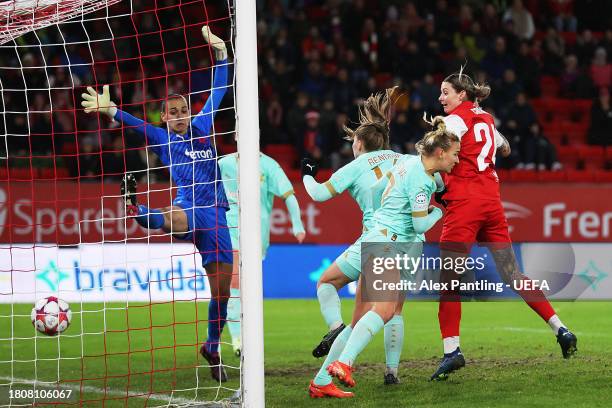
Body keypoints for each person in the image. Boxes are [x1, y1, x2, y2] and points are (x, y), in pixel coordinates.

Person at [81, 26, 233, 383]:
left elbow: (219, 90)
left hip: (218, 218)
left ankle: (212, 346)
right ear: (164, 117)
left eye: (183, 109)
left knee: (222, 292)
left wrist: (222, 53)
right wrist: (112, 111)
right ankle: (137, 210)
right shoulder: (162, 138)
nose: (180, 115)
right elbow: (134, 124)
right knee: (173, 218)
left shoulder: (203, 125)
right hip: (188, 208)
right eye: (173, 112)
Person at [431, 69, 577, 381]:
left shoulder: (456, 119)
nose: (441, 98)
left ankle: (452, 351)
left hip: (466, 204)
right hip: (491, 202)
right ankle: (561, 329)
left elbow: (433, 148)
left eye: (445, 92)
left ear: (462, 95)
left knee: (449, 280)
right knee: (513, 273)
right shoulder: (486, 117)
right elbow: (504, 146)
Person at [320, 117, 460, 396]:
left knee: (361, 314)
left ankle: (324, 378)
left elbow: (433, 180)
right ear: (441, 153)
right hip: (391, 243)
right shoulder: (420, 179)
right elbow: (420, 224)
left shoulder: (410, 163)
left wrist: (439, 186)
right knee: (387, 311)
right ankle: (346, 364)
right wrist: (437, 212)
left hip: (378, 238)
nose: (457, 160)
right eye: (455, 154)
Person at [302, 88, 405, 395]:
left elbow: (318, 194)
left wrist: (307, 173)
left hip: (374, 241)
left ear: (360, 143)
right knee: (392, 310)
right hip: (401, 242)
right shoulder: (405, 159)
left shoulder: (357, 165)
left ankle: (334, 338)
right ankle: (391, 371)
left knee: (328, 284)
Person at [218, 151, 306, 356]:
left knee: (246, 289)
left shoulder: (268, 165)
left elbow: (288, 195)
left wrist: (298, 224)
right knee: (234, 282)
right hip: (228, 230)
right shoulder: (224, 164)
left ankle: (236, 335)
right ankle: (238, 339)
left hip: (257, 236)